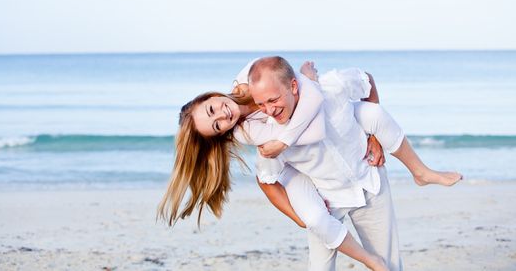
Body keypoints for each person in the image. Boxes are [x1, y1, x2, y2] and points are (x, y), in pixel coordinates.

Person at [158, 56, 461, 271]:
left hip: (366, 176)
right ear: (221, 135)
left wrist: (375, 138)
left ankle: (420, 173)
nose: (221, 116)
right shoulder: (257, 134)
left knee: (389, 265)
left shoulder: (316, 88)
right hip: (327, 195)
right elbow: (267, 181)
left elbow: (364, 83)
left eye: (212, 109)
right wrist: (302, 217)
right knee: (320, 258)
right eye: (216, 126)